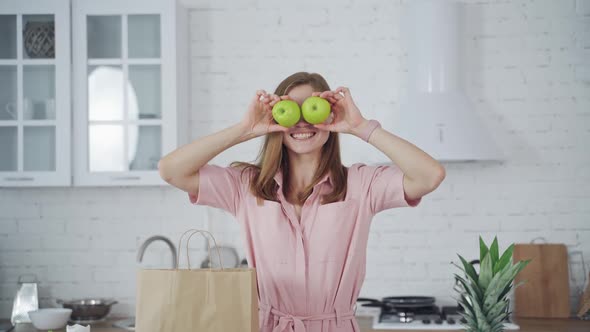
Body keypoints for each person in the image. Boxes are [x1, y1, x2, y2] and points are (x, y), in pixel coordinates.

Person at [158, 72, 445, 332]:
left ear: (330, 118)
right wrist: (245, 128)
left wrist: (361, 127)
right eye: (292, 110)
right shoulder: (246, 185)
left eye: (311, 108)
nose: (302, 121)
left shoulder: (361, 184)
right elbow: (171, 170)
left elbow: (430, 176)